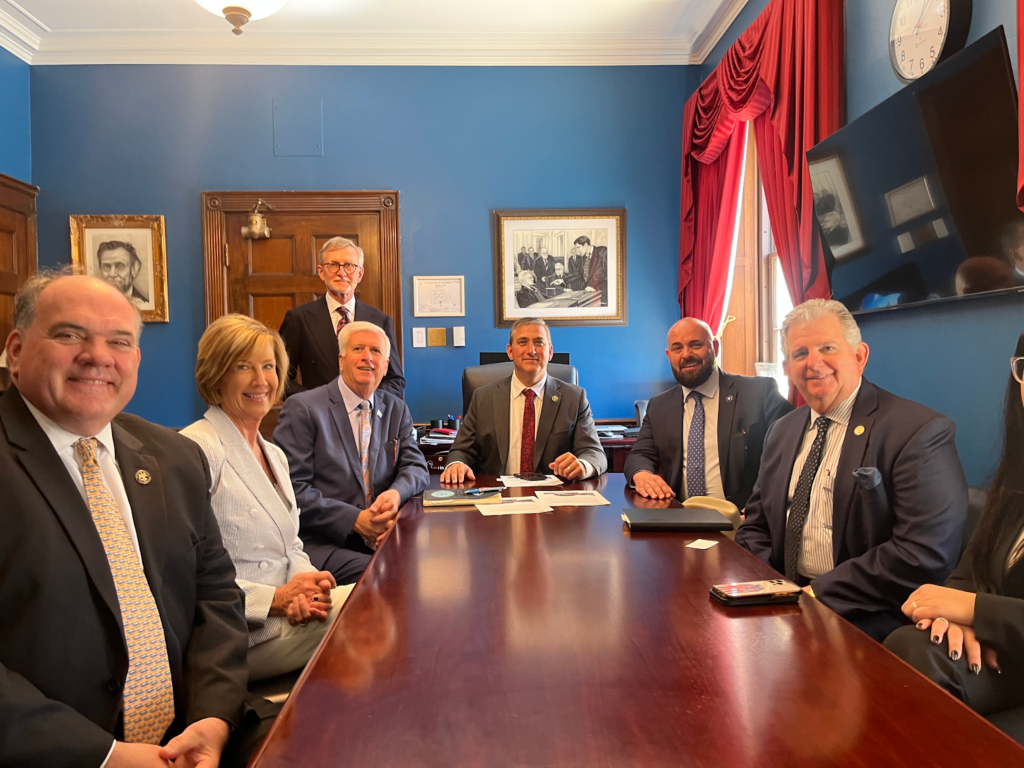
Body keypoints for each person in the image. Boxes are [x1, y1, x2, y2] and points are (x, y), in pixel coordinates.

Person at [0, 271, 260, 767]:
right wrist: (106, 756)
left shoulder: (176, 457)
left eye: (118, 341)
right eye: (69, 334)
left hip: (194, 747)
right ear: (16, 351)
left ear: (135, 360)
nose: (98, 356)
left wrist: (213, 718)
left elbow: (216, 595)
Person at [735, 299, 967, 641]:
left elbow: (924, 552)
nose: (814, 363)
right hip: (783, 605)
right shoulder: (781, 430)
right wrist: (772, 588)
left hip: (868, 618)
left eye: (827, 347)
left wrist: (817, 596)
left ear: (859, 356)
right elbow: (755, 524)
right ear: (787, 368)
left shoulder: (918, 431)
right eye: (800, 354)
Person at [182, 314, 353, 681]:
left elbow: (292, 547)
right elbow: (183, 573)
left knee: (381, 600)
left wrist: (308, 588)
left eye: (269, 366)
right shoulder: (195, 448)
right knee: (376, 610)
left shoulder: (273, 454)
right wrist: (275, 600)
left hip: (292, 619)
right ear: (215, 374)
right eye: (243, 366)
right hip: (240, 634)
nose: (261, 380)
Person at [884, 334, 1024, 744]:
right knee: (912, 647)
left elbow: (968, 596)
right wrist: (952, 618)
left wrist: (976, 609)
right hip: (1007, 654)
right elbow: (970, 571)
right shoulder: (1016, 474)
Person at [274, 321, 429, 585]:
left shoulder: (396, 408)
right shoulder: (303, 408)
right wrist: (355, 520)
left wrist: (394, 494)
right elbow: (291, 490)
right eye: (358, 349)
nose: (368, 357)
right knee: (386, 573)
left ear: (386, 363)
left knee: (434, 564)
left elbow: (416, 467)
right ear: (341, 359)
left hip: (383, 532)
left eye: (376, 351)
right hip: (325, 540)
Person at [624, 318, 793, 510]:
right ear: (668, 355)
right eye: (677, 348)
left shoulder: (759, 393)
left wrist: (762, 504)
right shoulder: (659, 406)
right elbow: (640, 454)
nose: (686, 354)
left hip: (744, 521)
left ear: (715, 347)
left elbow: (791, 453)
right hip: (681, 519)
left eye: (695, 345)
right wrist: (643, 475)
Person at [441, 318, 607, 483]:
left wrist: (583, 465)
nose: (531, 350)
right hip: (498, 496)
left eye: (539, 342)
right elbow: (462, 450)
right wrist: (457, 464)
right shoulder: (483, 397)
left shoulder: (574, 398)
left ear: (550, 352)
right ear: (510, 351)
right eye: (522, 342)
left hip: (554, 496)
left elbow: (594, 452)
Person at [279, 236, 405, 399]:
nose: (341, 272)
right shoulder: (298, 319)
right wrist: (315, 401)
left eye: (349, 266)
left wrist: (366, 401)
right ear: (321, 272)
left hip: (367, 417)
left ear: (359, 274)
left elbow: (395, 380)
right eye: (333, 265)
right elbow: (280, 377)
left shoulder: (380, 321)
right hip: (319, 418)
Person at [574, 235, 608, 304]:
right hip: (588, 295)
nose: (577, 251)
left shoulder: (602, 252)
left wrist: (596, 288)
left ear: (586, 245)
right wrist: (563, 279)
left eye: (578, 247)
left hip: (603, 296)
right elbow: (578, 275)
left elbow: (608, 276)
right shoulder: (582, 258)